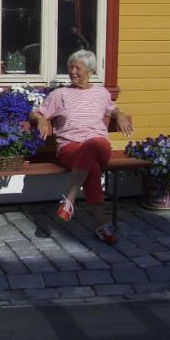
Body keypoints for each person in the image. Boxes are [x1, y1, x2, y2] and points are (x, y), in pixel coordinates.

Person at [28, 49, 133, 245]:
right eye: (70, 67)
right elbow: (35, 113)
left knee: (92, 144)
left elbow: (112, 108)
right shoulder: (60, 94)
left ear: (90, 71)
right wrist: (41, 118)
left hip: (99, 145)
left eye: (78, 68)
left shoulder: (101, 93)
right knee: (91, 167)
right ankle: (101, 225)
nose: (72, 71)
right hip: (70, 148)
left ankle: (70, 198)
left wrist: (119, 115)